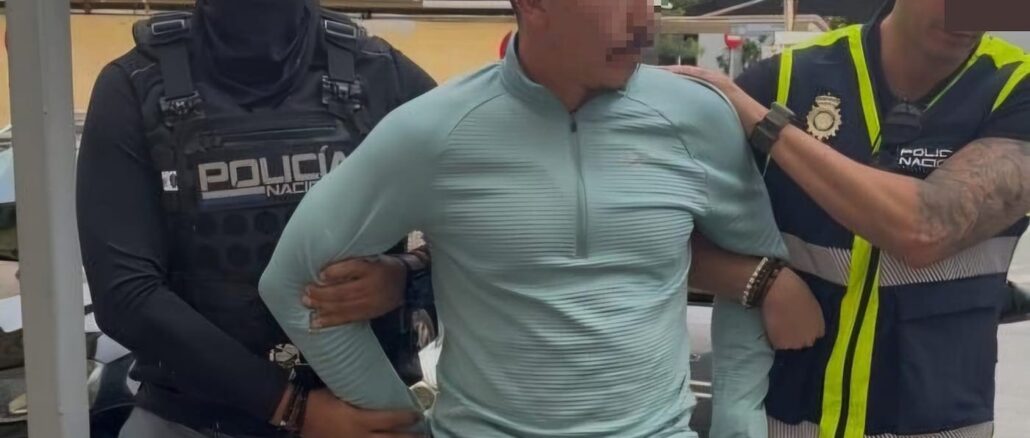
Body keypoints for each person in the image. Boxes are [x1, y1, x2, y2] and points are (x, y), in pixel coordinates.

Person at [257, 0, 828, 436]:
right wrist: (395, 418)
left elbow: (758, 267)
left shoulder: (698, 117)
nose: (644, 22)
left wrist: (737, 423)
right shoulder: (434, 130)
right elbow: (290, 280)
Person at [665, 0, 1030, 436]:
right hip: (785, 419)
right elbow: (654, 233)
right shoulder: (785, 78)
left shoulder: (1016, 87)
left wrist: (767, 126)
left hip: (938, 422)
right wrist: (761, 281)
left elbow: (924, 229)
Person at [76, 0, 439, 436]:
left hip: (367, 414)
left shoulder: (382, 75)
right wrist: (293, 408)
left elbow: (492, 229)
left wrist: (407, 278)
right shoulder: (135, 86)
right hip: (193, 419)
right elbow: (126, 296)